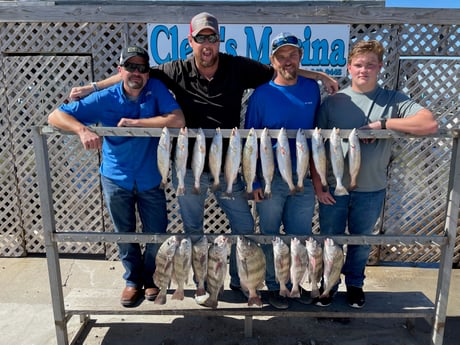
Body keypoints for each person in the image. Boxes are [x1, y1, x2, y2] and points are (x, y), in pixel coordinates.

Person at [69, 12, 338, 298]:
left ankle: (242, 281)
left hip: (229, 168)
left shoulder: (237, 67)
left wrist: (319, 75)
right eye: (201, 38)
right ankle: (200, 284)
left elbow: (282, 69)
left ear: (219, 40)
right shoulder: (176, 70)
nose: (207, 44)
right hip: (188, 167)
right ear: (191, 41)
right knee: (193, 229)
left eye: (212, 38)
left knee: (245, 227)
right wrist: (93, 87)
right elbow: (135, 72)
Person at [48, 46, 185, 308]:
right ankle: (133, 281)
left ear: (148, 72)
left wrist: (138, 124)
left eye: (142, 68)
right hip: (115, 177)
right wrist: (81, 130)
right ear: (120, 70)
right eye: (130, 67)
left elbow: (178, 120)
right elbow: (55, 115)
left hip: (151, 176)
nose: (137, 72)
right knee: (124, 232)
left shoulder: (155, 89)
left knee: (157, 231)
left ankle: (152, 278)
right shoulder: (105, 97)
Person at [313, 40, 438, 309]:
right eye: (358, 65)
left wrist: (382, 125)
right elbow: (316, 148)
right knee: (330, 239)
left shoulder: (394, 100)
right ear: (349, 67)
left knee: (361, 241)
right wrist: (319, 185)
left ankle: (355, 284)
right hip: (334, 187)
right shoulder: (333, 102)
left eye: (370, 65)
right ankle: (328, 283)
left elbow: (429, 123)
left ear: (380, 67)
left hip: (372, 187)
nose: (364, 70)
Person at [244, 32, 320, 309]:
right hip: (270, 180)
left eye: (292, 55)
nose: (287, 61)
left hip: (304, 178)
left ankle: (296, 283)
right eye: (281, 56)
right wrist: (252, 181)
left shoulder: (313, 89)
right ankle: (276, 286)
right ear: (272, 60)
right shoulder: (261, 95)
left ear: (300, 57)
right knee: (269, 233)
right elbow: (249, 143)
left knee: (299, 235)